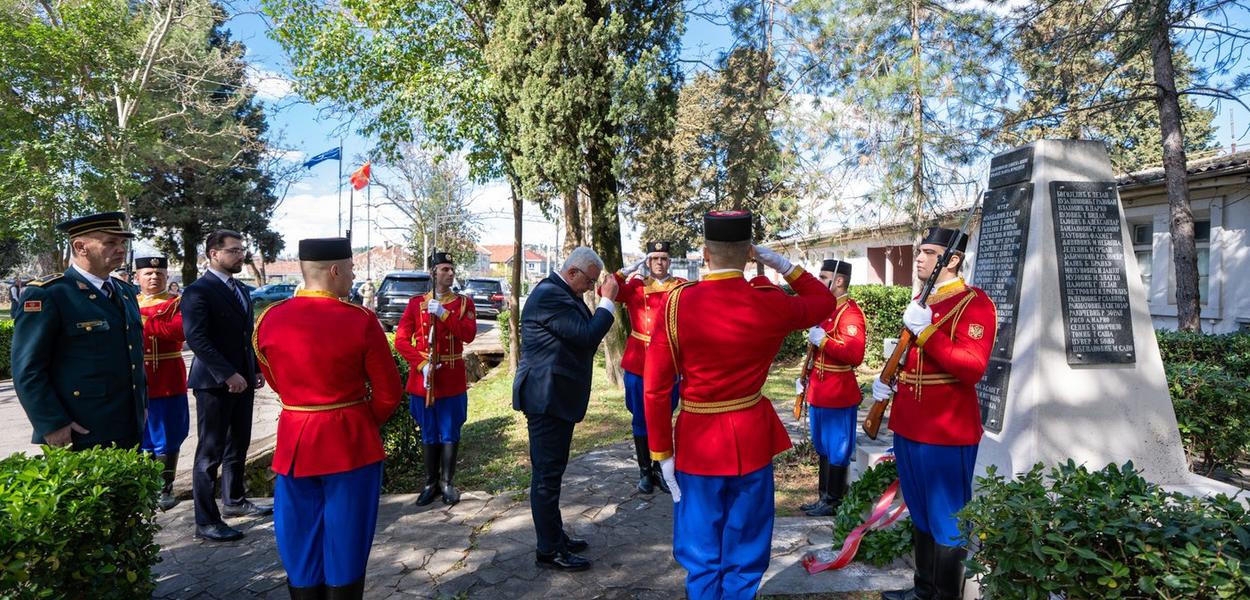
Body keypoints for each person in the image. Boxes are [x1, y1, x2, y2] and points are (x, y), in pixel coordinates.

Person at [643, 210, 834, 600]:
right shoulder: (770, 301)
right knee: (746, 548)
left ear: (704, 253)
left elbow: (656, 390)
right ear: (750, 253)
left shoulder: (677, 304)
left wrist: (662, 452)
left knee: (700, 550)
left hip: (697, 442)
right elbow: (824, 301)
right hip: (751, 438)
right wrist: (782, 265)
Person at [254, 237, 402, 600]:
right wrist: (358, 422)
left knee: (298, 538)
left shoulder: (269, 319)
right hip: (351, 446)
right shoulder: (360, 320)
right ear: (335, 270)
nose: (353, 277)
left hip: (294, 442)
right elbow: (388, 393)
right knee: (347, 540)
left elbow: (275, 380)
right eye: (350, 269)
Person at [875, 227, 996, 600]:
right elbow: (913, 360)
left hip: (946, 430)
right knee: (921, 512)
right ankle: (923, 590)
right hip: (909, 425)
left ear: (953, 259)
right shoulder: (921, 300)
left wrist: (926, 331)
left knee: (947, 521)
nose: (920, 258)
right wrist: (888, 381)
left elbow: (971, 368)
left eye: (929, 252)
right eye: (921, 251)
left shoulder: (974, 303)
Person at [512, 247, 619, 572]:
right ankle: (548, 550)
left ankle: (555, 536)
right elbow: (586, 336)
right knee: (546, 477)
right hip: (546, 398)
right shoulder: (549, 295)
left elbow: (581, 335)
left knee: (552, 473)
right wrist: (608, 301)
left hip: (556, 397)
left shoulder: (562, 293)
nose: (591, 287)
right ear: (573, 272)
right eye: (589, 281)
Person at [11, 212, 146, 450]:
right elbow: (28, 369)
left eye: (122, 243)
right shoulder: (50, 293)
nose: (120, 249)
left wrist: (141, 407)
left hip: (128, 424)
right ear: (80, 247)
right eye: (110, 242)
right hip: (79, 430)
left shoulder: (125, 291)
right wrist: (52, 423)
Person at [182, 229, 272, 542]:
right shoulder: (198, 291)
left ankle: (234, 501)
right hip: (214, 383)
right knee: (210, 452)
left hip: (243, 378)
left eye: (242, 250)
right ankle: (206, 521)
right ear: (213, 254)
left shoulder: (241, 289)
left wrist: (255, 368)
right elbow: (197, 338)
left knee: (239, 443)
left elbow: (247, 337)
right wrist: (227, 374)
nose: (240, 255)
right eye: (233, 250)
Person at [394, 251, 477, 506]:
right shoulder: (416, 304)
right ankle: (430, 483)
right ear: (433, 273)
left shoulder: (463, 304)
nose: (450, 273)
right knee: (429, 432)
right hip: (425, 380)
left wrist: (443, 314)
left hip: (451, 378)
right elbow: (401, 340)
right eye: (444, 269)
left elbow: (468, 335)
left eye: (452, 269)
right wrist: (421, 365)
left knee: (449, 431)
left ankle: (447, 483)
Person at [611, 241, 686, 494]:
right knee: (640, 418)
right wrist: (623, 272)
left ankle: (660, 469)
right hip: (639, 363)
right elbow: (605, 290)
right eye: (654, 258)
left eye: (663, 258)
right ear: (648, 261)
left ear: (669, 261)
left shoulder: (680, 287)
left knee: (664, 417)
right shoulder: (636, 286)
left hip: (668, 363)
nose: (659, 263)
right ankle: (644, 471)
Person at [796, 259, 865, 517]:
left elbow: (854, 355)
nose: (819, 281)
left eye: (823, 277)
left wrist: (824, 341)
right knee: (823, 446)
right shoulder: (827, 310)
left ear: (839, 281)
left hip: (838, 392)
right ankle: (823, 496)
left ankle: (835, 500)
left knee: (838, 448)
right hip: (819, 389)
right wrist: (805, 377)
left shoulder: (850, 313)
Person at [135, 256, 190, 510]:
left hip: (167, 375)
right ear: (137, 277)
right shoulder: (128, 301)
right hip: (135, 377)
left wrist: (144, 321)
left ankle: (164, 487)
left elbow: (178, 330)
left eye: (159, 273)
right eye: (148, 273)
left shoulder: (178, 303)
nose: (154, 277)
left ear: (167, 277)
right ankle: (142, 486)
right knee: (141, 433)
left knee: (168, 431)